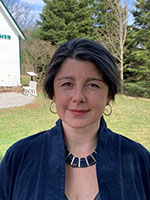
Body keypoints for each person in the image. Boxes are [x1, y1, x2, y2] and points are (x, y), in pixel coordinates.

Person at [0, 38, 150, 200]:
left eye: (92, 85)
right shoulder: (19, 157)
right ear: (53, 93)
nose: (78, 97)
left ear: (109, 95)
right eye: (67, 84)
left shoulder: (138, 159)